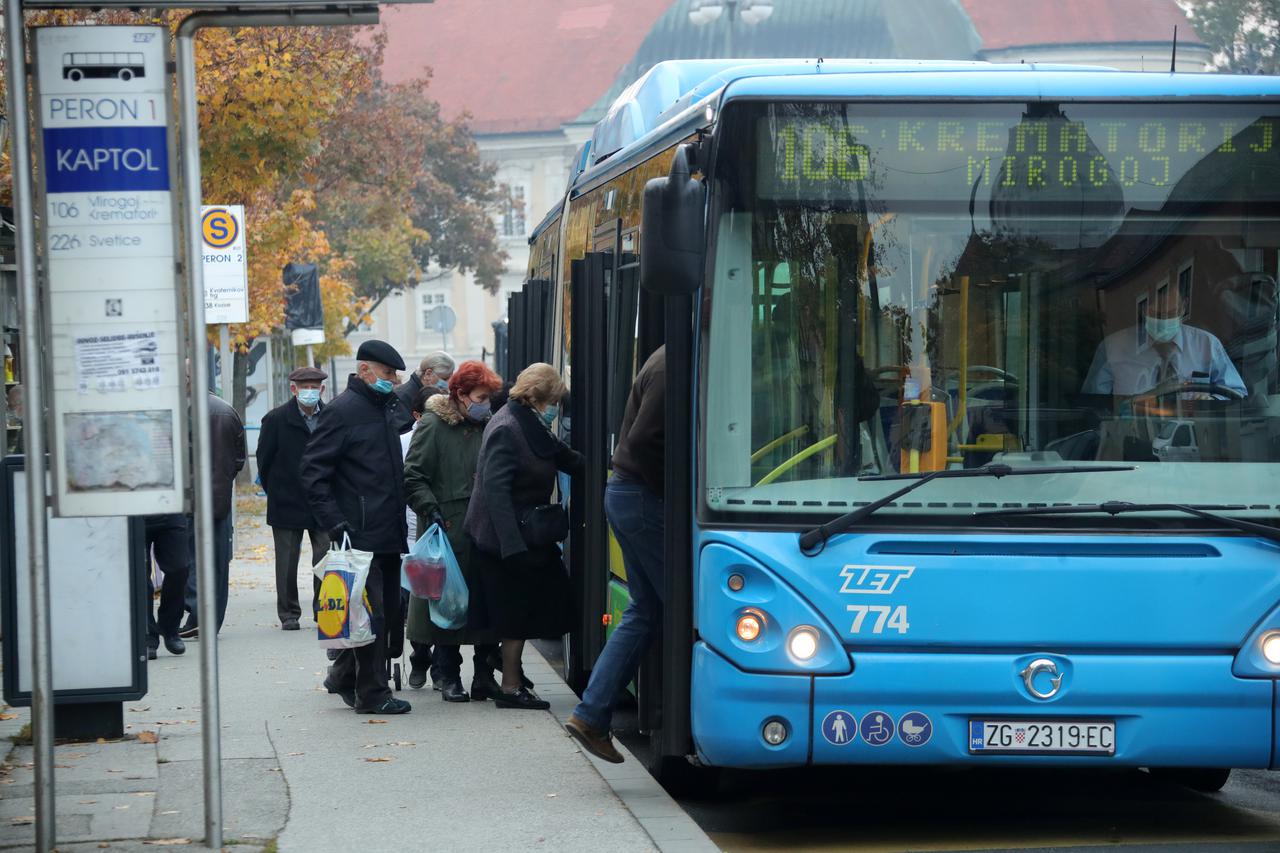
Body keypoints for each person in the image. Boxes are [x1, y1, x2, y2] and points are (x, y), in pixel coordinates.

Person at [300, 339, 412, 715]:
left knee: (382, 613)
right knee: (374, 613)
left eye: (395, 374)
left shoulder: (383, 408)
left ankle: (343, 675)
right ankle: (372, 693)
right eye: (387, 373)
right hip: (359, 533)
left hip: (387, 531)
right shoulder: (343, 411)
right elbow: (313, 473)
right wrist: (334, 522)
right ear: (365, 371)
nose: (393, 380)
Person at [565, 347, 665, 763]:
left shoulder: (666, 357)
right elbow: (644, 440)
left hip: (629, 493)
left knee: (645, 609)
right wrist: (673, 491)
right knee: (692, 606)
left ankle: (591, 715)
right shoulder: (674, 362)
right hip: (643, 496)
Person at [465, 362, 583, 710]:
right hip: (506, 540)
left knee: (543, 603)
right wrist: (511, 546)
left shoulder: (527, 421)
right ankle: (510, 686)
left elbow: (564, 457)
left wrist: (613, 465)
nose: (553, 411)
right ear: (537, 398)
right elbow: (495, 491)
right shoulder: (508, 426)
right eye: (551, 403)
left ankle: (499, 668)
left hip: (525, 535)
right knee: (515, 614)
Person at [404, 361, 505, 702]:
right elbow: (413, 474)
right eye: (480, 397)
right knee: (447, 605)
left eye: (489, 398)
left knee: (487, 601)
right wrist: (431, 510)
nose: (485, 404)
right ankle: (448, 674)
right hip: (448, 526)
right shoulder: (434, 424)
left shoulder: (487, 424)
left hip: (484, 526)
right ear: (460, 395)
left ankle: (483, 675)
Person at [257, 366, 331, 631]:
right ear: (293, 389)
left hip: (323, 500)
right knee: (286, 561)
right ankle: (289, 613)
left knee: (324, 557)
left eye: (314, 387)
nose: (310, 392)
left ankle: (323, 609)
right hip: (287, 500)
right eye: (305, 387)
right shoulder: (276, 419)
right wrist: (276, 490)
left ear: (321, 389)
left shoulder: (331, 417)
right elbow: (264, 463)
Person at [1082, 288, 1247, 399]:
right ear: (1143, 309)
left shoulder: (1207, 345)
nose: (1164, 321)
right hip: (1130, 439)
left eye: (1171, 313)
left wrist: (1211, 399)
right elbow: (1092, 404)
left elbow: (1238, 394)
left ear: (1184, 306)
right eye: (1157, 314)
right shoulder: (1113, 347)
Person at [180, 391, 247, 638]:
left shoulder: (180, 409)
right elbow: (240, 459)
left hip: (186, 500)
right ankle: (212, 620)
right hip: (219, 501)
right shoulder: (227, 410)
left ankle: (195, 615)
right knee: (218, 564)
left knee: (189, 560)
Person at [144, 514, 189, 660]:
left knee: (180, 568)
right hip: (135, 510)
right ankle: (147, 635)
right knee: (138, 575)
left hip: (170, 507)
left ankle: (169, 627)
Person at [394, 351, 455, 420]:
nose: (448, 383)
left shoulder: (433, 395)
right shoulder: (401, 397)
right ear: (428, 374)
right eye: (444, 378)